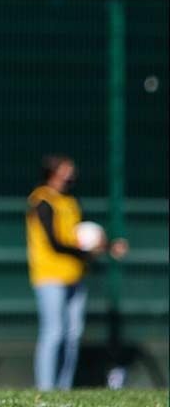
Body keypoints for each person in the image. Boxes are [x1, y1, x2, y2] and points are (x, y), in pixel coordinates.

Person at [26, 154, 128, 390]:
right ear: (53, 172)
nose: (71, 175)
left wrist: (107, 245)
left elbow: (78, 235)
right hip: (49, 275)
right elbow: (55, 242)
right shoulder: (42, 201)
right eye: (66, 170)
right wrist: (86, 250)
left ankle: (64, 387)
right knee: (53, 333)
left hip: (74, 274)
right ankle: (46, 387)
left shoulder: (70, 202)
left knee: (73, 334)